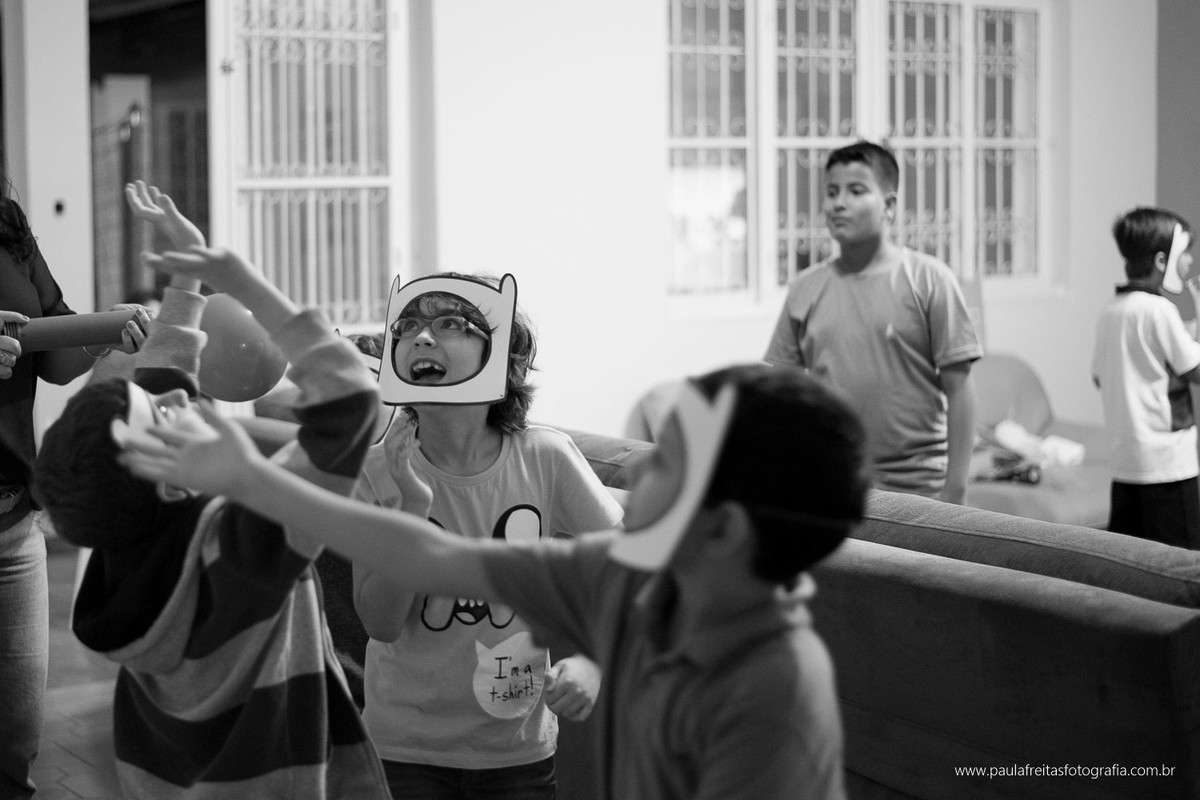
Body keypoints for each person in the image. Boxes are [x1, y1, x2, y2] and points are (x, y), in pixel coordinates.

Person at [117, 361, 870, 800]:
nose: (637, 471)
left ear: (724, 530)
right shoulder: (619, 576)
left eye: (665, 462)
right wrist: (247, 478)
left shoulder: (773, 693)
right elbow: (430, 559)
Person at [30, 184, 390, 798]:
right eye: (163, 416)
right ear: (172, 483)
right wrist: (241, 280)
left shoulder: (127, 550)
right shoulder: (246, 546)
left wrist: (188, 274)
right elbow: (352, 403)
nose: (179, 397)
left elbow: (162, 380)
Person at [352, 274, 622, 798]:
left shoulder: (545, 457)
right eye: (406, 326)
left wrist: (593, 661)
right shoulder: (375, 472)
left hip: (517, 750)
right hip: (402, 750)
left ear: (501, 354)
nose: (420, 337)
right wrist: (412, 507)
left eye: (451, 324)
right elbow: (381, 624)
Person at [0, 182, 149, 799]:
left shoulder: (6, 222)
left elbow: (56, 349)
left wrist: (106, 330)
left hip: (12, 525)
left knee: (16, 740)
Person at [764, 140, 982, 503]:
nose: (839, 203)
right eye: (831, 192)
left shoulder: (930, 280)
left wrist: (954, 490)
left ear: (889, 206)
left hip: (919, 490)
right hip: (831, 487)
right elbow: (780, 394)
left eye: (856, 190)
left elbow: (959, 389)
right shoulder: (805, 288)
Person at [1091, 207, 1200, 548]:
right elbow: (1194, 369)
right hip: (1168, 466)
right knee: (1181, 562)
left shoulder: (1111, 309)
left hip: (1126, 464)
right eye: (1186, 253)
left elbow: (1100, 376)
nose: (1190, 261)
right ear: (1161, 261)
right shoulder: (1159, 310)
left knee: (1129, 560)